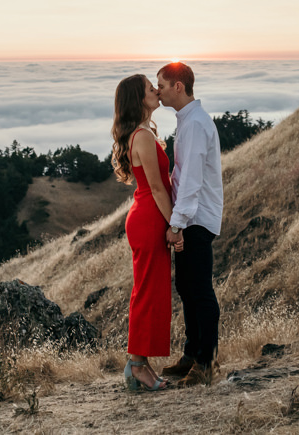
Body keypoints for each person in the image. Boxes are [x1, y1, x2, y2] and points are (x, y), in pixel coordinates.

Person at [111, 73, 184, 391]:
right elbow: (156, 187)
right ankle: (137, 366)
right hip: (149, 218)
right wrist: (175, 225)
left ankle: (141, 365)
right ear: (138, 99)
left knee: (150, 293)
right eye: (150, 89)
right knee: (146, 294)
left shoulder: (142, 133)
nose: (156, 91)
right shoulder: (141, 136)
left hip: (147, 216)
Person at [158, 62, 224, 387]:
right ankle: (191, 354)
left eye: (162, 85)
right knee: (187, 286)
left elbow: (192, 181)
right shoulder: (188, 121)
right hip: (192, 217)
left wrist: (177, 223)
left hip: (197, 217)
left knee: (199, 290)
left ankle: (207, 364)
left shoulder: (196, 124)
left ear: (178, 87)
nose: (158, 91)